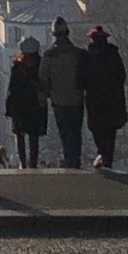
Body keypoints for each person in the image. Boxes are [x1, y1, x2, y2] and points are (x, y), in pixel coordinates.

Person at [38, 18, 87, 168]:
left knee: (65, 130)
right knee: (76, 130)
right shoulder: (78, 54)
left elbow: (43, 79)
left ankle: (69, 158)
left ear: (53, 34)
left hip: (58, 99)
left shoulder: (49, 56)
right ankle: (75, 158)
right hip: (77, 97)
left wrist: (43, 98)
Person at [81, 26, 128, 170]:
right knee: (110, 130)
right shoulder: (113, 55)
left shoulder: (87, 57)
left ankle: (102, 153)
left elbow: (82, 79)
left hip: (94, 99)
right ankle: (107, 156)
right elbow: (121, 76)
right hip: (113, 99)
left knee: (97, 128)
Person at [3, 36, 49, 168]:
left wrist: (9, 107)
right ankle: (32, 162)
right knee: (33, 136)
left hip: (19, 106)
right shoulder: (41, 66)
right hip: (35, 106)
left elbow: (12, 89)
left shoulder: (17, 67)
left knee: (20, 134)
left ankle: (22, 162)